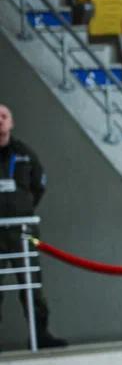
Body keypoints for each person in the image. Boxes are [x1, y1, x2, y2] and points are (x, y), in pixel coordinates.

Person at [0, 104, 64, 349]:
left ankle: (40, 334)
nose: (0, 121)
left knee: (32, 285)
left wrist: (22, 209)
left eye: (4, 116)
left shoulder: (24, 153)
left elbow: (39, 186)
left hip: (22, 230)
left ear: (11, 122)